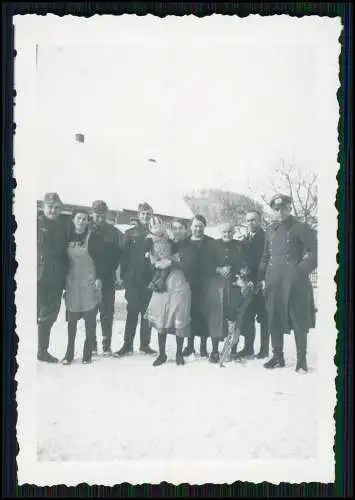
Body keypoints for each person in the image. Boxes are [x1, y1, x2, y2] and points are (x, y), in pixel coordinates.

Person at [259, 194, 317, 373]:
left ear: (289, 208)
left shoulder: (301, 227)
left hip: (295, 282)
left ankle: (301, 360)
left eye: (284, 208)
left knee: (299, 320)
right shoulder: (270, 230)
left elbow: (315, 252)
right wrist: (261, 276)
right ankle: (277, 357)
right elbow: (265, 256)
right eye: (276, 209)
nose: (280, 212)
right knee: (273, 318)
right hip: (273, 281)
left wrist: (300, 270)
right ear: (273, 211)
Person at [144, 217, 191, 366]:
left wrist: (172, 261)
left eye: (180, 228)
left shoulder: (189, 244)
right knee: (161, 316)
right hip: (162, 284)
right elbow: (151, 261)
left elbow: (191, 265)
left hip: (179, 283)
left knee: (179, 316)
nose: (177, 231)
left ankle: (178, 353)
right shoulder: (165, 240)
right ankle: (162, 354)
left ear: (185, 229)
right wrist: (155, 263)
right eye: (174, 228)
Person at [113, 203, 157, 357]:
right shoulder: (130, 233)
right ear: (138, 215)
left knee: (147, 313)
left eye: (148, 214)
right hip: (132, 278)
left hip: (149, 279)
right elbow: (121, 257)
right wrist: (122, 276)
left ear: (151, 215)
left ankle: (145, 344)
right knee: (132, 311)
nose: (145, 216)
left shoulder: (155, 234)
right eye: (143, 214)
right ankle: (127, 344)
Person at [62, 209, 104, 365]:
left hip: (89, 282)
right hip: (72, 283)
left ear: (88, 221)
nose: (81, 221)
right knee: (72, 320)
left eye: (85, 219)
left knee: (89, 319)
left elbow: (101, 260)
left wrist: (99, 278)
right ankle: (69, 353)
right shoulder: (67, 236)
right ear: (73, 220)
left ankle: (87, 353)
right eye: (78, 218)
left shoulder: (93, 238)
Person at [204, 223, 245, 363]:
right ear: (220, 233)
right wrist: (218, 269)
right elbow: (207, 263)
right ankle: (215, 350)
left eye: (229, 232)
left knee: (233, 315)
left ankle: (231, 349)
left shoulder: (239, 245)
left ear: (233, 232)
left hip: (234, 285)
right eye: (224, 232)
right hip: (217, 285)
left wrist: (240, 272)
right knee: (216, 316)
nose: (227, 234)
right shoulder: (213, 245)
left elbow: (243, 263)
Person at [37, 192, 69, 363]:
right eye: (50, 207)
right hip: (36, 277)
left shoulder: (62, 226)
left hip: (55, 277)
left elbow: (65, 252)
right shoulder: (34, 223)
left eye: (57, 208)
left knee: (49, 316)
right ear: (43, 207)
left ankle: (42, 351)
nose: (53, 210)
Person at [233, 210, 269, 359]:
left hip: (261, 283)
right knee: (247, 317)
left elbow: (267, 259)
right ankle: (248, 348)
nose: (250, 223)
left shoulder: (267, 238)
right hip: (247, 285)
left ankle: (264, 349)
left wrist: (261, 280)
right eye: (248, 220)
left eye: (253, 220)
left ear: (260, 221)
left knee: (264, 318)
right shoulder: (244, 240)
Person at [90, 200, 122, 356]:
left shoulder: (114, 232)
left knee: (107, 311)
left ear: (106, 214)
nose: (99, 217)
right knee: (90, 311)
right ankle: (92, 344)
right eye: (96, 214)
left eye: (102, 214)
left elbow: (121, 253)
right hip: (88, 277)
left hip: (108, 278)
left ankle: (106, 344)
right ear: (92, 213)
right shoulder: (85, 230)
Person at [182, 215, 216, 358]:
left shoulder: (211, 243)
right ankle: (189, 346)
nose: (198, 229)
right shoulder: (184, 243)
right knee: (189, 315)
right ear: (191, 227)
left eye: (201, 226)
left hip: (206, 285)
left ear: (204, 227)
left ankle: (203, 346)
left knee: (204, 316)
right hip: (188, 284)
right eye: (195, 226)